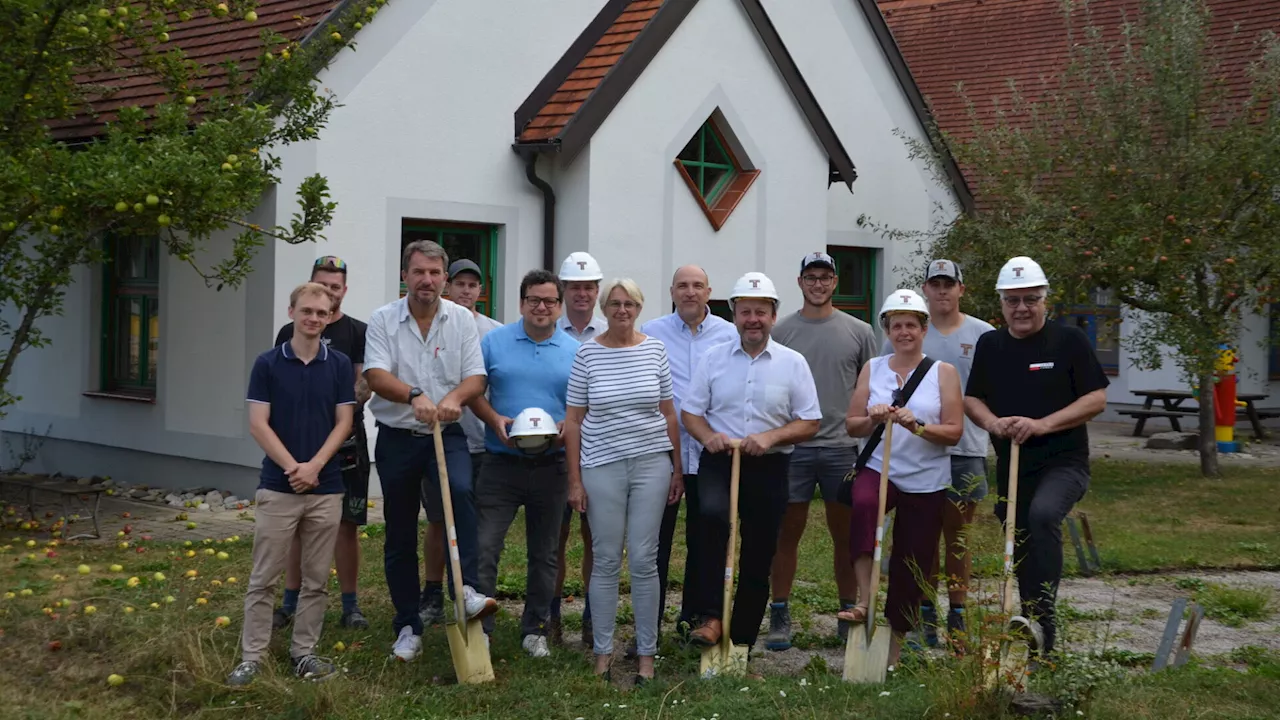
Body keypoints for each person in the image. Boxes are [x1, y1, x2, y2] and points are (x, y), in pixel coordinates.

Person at [964, 256, 1108, 655]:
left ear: (1046, 300)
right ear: (1002, 303)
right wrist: (992, 423)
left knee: (1043, 515)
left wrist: (1042, 424)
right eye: (1013, 300)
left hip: (1064, 461)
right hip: (1014, 466)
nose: (1022, 308)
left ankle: (1045, 621)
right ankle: (1028, 627)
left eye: (1030, 299)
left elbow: (1096, 399)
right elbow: (973, 398)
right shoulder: (991, 344)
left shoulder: (1069, 342)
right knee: (1021, 537)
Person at [363, 240, 498, 662]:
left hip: (448, 433)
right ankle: (407, 625)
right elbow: (376, 375)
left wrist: (456, 398)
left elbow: (476, 377)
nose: (428, 280)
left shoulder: (460, 320)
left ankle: (469, 593)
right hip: (399, 437)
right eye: (419, 272)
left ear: (443, 277)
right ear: (405, 275)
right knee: (400, 529)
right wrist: (414, 395)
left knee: (461, 495)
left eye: (435, 273)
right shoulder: (384, 320)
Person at [682, 272, 821, 659]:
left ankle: (741, 638)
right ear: (734, 315)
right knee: (710, 520)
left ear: (773, 315)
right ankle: (710, 618)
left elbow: (810, 421)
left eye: (761, 311)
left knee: (760, 549)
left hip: (768, 465)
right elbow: (691, 413)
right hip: (719, 460)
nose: (753, 319)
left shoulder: (793, 364)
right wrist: (707, 435)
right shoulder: (713, 359)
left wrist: (772, 437)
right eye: (745, 312)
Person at [228, 282, 355, 686]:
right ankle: (253, 656)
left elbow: (345, 423)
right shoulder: (267, 364)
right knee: (264, 577)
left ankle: (304, 653)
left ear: (329, 315)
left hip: (326, 486)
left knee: (316, 579)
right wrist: (293, 468)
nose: (314, 318)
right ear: (292, 313)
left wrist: (315, 465)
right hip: (279, 486)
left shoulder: (337, 364)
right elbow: (257, 423)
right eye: (307, 311)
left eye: (322, 312)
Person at [565, 278, 682, 684]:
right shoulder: (588, 354)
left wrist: (678, 469)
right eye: (614, 303)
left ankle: (646, 655)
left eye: (629, 303)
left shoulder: (655, 349)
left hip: (652, 464)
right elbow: (574, 421)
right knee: (607, 558)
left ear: (639, 307)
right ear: (604, 308)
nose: (621, 310)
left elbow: (669, 414)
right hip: (602, 466)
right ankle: (602, 651)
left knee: (645, 560)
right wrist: (574, 480)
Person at [841, 289, 964, 668]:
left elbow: (955, 432)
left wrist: (919, 425)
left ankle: (892, 646)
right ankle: (863, 600)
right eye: (897, 325)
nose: (904, 332)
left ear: (924, 329)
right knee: (862, 506)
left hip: (925, 478)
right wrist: (875, 419)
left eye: (912, 324)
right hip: (880, 467)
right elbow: (852, 425)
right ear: (887, 330)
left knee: (914, 557)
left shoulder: (943, 372)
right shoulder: (873, 368)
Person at [766, 252, 879, 650]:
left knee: (847, 536)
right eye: (811, 277)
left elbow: (872, 385)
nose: (818, 284)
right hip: (792, 447)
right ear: (800, 282)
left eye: (825, 277)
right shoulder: (781, 332)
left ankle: (848, 610)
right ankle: (779, 611)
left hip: (841, 448)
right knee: (785, 534)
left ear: (835, 283)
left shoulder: (859, 331)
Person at [469, 269, 579, 659]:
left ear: (559, 306)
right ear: (521, 302)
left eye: (550, 300)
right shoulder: (494, 342)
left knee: (545, 551)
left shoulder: (573, 350)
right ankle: (481, 626)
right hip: (501, 464)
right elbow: (474, 391)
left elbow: (580, 405)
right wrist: (492, 418)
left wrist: (569, 423)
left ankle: (535, 628)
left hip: (552, 464)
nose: (542, 307)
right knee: (485, 546)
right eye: (534, 299)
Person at [896, 259, 995, 649]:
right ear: (925, 289)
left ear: (960, 289)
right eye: (934, 284)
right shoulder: (911, 331)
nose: (942, 291)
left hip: (966, 446)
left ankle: (957, 611)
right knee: (923, 535)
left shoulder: (982, 334)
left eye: (948, 284)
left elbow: (989, 391)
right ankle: (924, 612)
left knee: (958, 536)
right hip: (917, 450)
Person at [269, 256, 372, 632]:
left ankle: (350, 605)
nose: (328, 292)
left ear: (344, 291)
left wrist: (333, 407)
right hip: (297, 444)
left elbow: (364, 386)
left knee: (347, 524)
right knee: (298, 524)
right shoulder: (287, 331)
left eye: (335, 286)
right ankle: (291, 601)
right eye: (322, 284)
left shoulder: (359, 332)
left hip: (347, 445)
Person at [640, 265, 737, 645]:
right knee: (655, 541)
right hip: (662, 452)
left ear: (709, 291)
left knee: (707, 537)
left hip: (711, 453)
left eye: (698, 285)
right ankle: (649, 623)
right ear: (672, 291)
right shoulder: (652, 332)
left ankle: (695, 619)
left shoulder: (729, 334)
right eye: (683, 285)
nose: (690, 292)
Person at [419, 259, 505, 628]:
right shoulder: (439, 325)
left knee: (480, 524)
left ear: (480, 291)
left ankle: (475, 590)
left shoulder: (495, 333)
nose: (467, 290)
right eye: (461, 283)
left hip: (482, 443)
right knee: (440, 519)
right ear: (448, 286)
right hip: (444, 438)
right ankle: (433, 590)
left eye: (474, 284)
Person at [551, 250, 608, 643]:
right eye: (574, 287)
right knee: (555, 537)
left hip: (599, 449)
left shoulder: (609, 332)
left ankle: (592, 614)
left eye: (589, 287)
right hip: (554, 449)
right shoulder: (548, 330)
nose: (582, 294)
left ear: (597, 290)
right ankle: (550, 615)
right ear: (563, 290)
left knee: (596, 536)